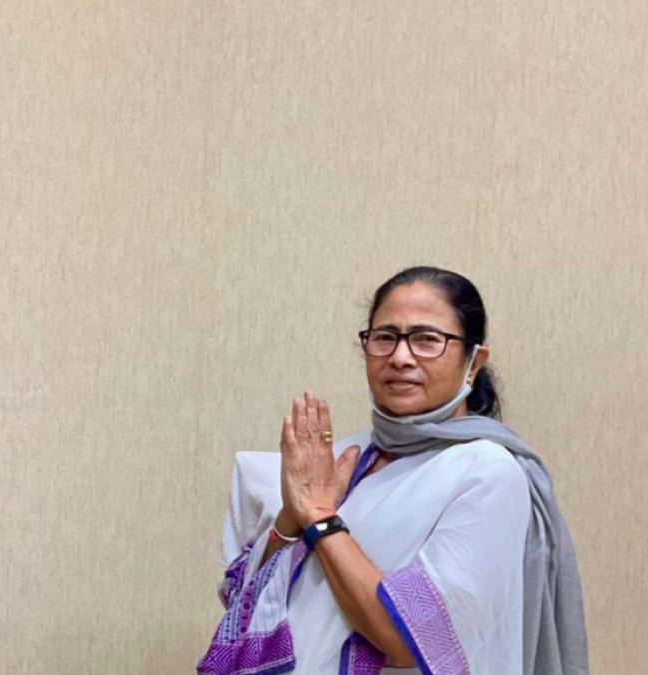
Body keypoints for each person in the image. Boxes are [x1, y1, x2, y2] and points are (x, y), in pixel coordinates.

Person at [198, 266, 588, 675]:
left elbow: (410, 643)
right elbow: (246, 602)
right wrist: (291, 520)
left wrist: (321, 518)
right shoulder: (345, 454)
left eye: (427, 340)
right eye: (385, 338)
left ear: (473, 361)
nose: (401, 357)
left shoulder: (487, 472)